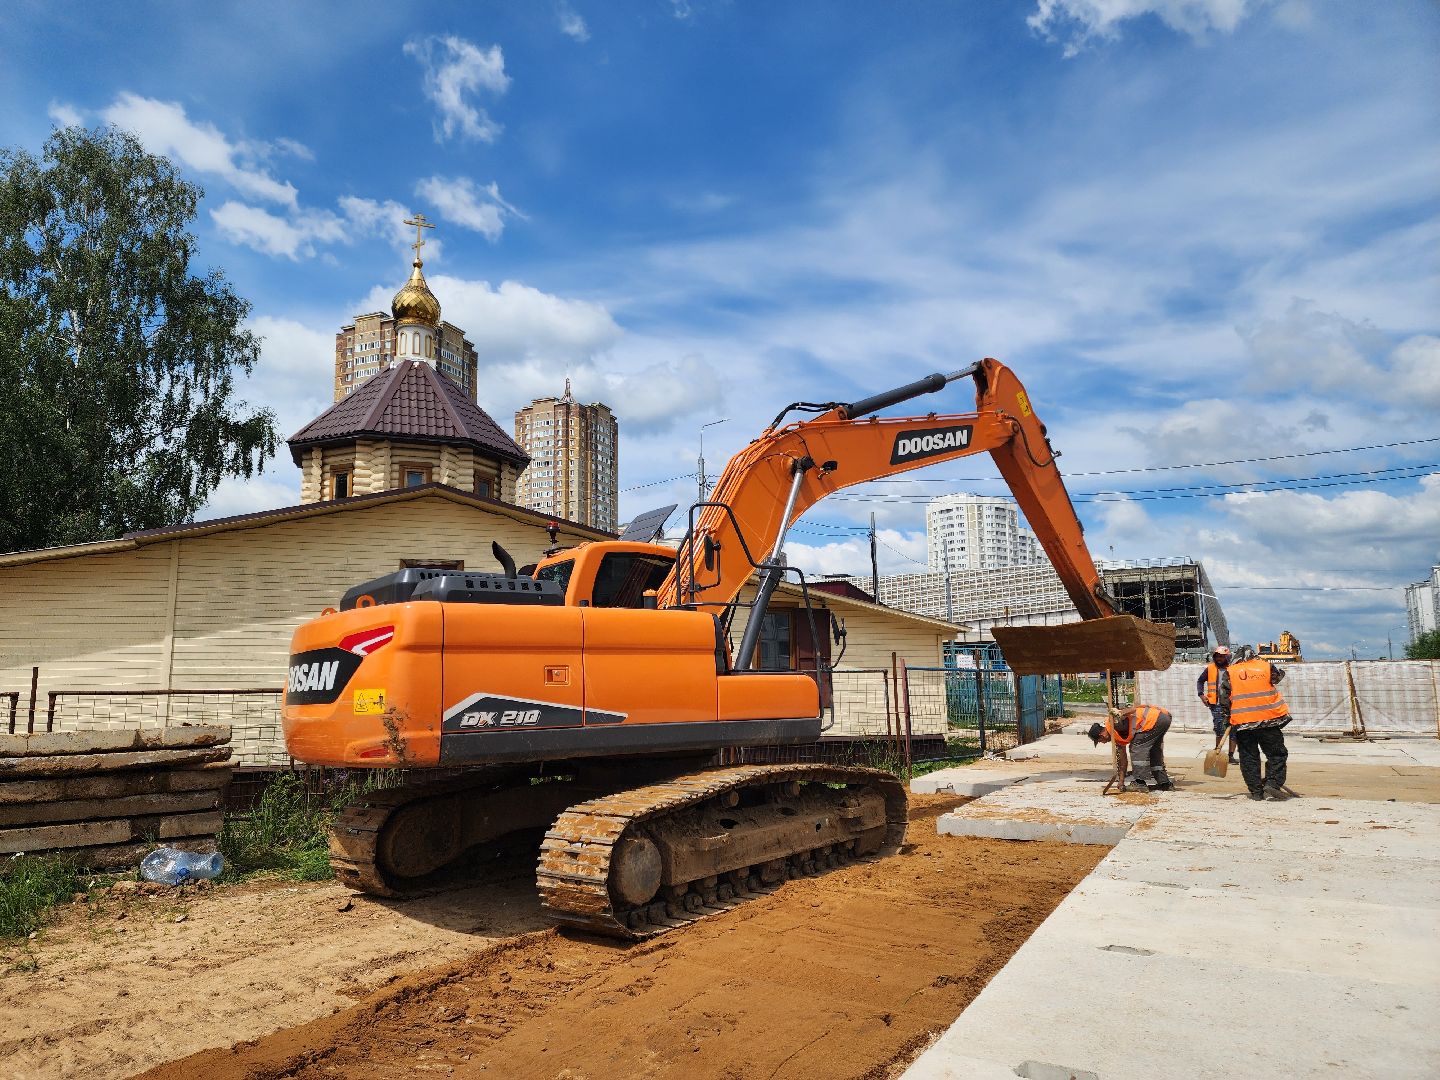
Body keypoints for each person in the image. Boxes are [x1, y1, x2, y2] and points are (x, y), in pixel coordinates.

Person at [1226, 648, 1295, 802]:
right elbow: (1276, 679)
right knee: (1276, 754)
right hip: (1269, 720)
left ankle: (1256, 792)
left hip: (1243, 723)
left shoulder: (1230, 672)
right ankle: (1272, 783)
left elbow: (1224, 698)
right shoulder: (1265, 666)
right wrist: (1280, 672)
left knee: (1249, 757)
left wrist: (1227, 720)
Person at [1087, 704, 1173, 792]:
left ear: (1101, 735)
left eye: (1100, 741)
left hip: (1154, 719)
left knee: (1136, 747)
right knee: (1153, 751)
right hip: (1160, 719)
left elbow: (1132, 710)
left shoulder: (1113, 722)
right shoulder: (1116, 737)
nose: (1103, 743)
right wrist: (1121, 781)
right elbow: (1122, 761)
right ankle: (1164, 783)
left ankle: (1139, 783)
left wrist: (1120, 713)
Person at [1197, 645, 1238, 765]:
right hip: (1216, 704)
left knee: (1233, 731)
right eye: (1217, 656)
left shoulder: (1233, 669)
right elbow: (1200, 681)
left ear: (1226, 657)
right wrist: (1201, 695)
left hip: (1232, 704)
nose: (1219, 658)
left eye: (1222, 656)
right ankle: (1217, 753)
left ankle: (1231, 756)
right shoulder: (1210, 668)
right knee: (1219, 729)